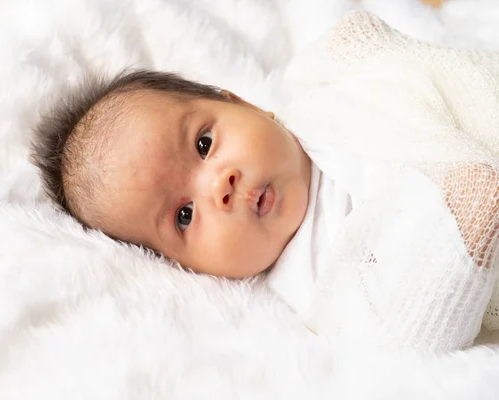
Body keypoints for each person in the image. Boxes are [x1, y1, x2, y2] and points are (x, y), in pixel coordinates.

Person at [32, 10, 499, 353]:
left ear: (243, 103)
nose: (221, 185)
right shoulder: (311, 286)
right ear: (184, 268)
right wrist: (466, 231)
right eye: (184, 215)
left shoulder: (313, 101)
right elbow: (407, 332)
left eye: (203, 144)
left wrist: (361, 45)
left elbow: (376, 57)